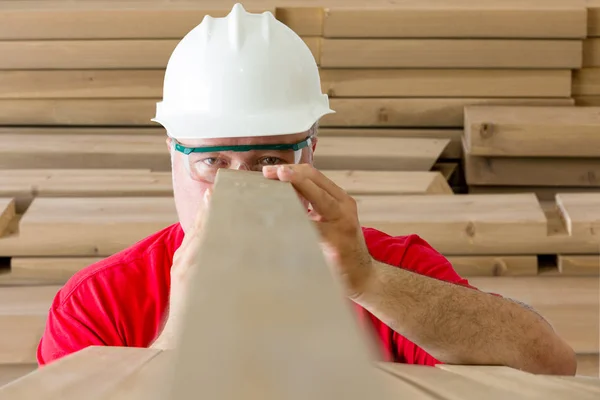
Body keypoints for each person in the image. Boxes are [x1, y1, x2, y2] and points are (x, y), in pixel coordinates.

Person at [37, 3, 576, 375]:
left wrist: (367, 280)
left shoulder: (386, 270)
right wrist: (180, 334)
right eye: (212, 162)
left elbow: (550, 365)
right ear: (172, 154)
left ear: (310, 154)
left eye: (270, 159)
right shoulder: (100, 303)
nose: (240, 187)